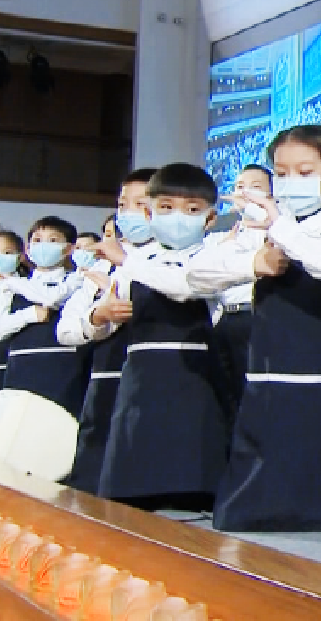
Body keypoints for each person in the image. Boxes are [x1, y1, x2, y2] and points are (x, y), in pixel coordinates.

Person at [188, 125, 321, 531]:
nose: (289, 182)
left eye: (303, 171)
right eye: (281, 172)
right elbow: (196, 273)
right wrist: (251, 264)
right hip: (267, 373)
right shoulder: (258, 230)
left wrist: (282, 231)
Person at [92, 163, 233, 510]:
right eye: (166, 208)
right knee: (135, 475)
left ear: (210, 218)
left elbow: (184, 288)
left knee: (195, 460)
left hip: (198, 369)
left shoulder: (216, 254)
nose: (177, 218)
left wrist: (126, 260)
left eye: (192, 210)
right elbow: (101, 318)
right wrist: (101, 315)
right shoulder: (136, 259)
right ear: (149, 212)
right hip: (142, 371)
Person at [57, 168, 157, 493]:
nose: (130, 212)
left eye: (141, 204)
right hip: (106, 388)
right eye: (123, 204)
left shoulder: (174, 261)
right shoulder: (101, 269)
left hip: (156, 389)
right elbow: (66, 330)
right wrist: (98, 317)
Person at [1, 216, 91, 417]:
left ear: (68, 249)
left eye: (52, 240)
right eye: (38, 240)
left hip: (66, 370)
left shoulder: (78, 282)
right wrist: (28, 315)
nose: (43, 246)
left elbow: (52, 298)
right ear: (28, 248)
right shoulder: (12, 287)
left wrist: (17, 283)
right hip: (21, 370)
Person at [210, 164, 273, 416]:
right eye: (239, 187)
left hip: (253, 318)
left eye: (255, 187)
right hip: (223, 318)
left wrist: (252, 208)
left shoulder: (273, 230)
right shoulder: (223, 235)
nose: (244, 192)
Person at [0, 231, 41, 400]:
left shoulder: (30, 290)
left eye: (7, 253)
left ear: (20, 257)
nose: (0, 257)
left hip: (14, 372)